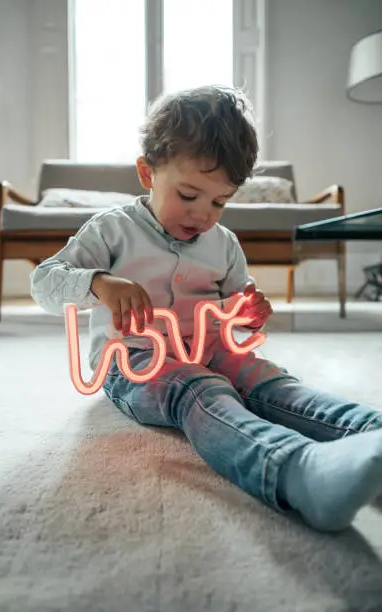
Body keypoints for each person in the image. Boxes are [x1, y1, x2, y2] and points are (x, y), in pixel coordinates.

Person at [30, 85, 382, 532]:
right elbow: (43, 282)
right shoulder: (111, 231)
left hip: (214, 349)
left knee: (274, 385)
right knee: (200, 390)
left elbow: (238, 300)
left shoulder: (224, 243)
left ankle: (369, 432)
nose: (203, 214)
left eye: (220, 201)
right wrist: (98, 283)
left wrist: (250, 309)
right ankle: (297, 471)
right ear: (147, 173)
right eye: (189, 194)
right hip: (135, 362)